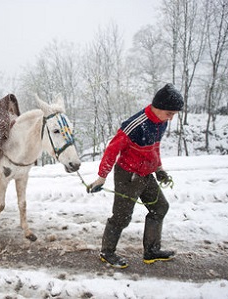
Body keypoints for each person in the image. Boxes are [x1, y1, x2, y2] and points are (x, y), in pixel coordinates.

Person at [88, 83, 184, 268]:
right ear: (158, 107)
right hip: (127, 175)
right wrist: (102, 177)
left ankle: (151, 251)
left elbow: (153, 148)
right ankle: (107, 252)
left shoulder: (161, 123)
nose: (171, 118)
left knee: (160, 208)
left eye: (174, 114)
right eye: (169, 113)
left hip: (146, 174)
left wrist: (159, 168)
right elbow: (111, 150)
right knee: (121, 217)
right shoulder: (135, 125)